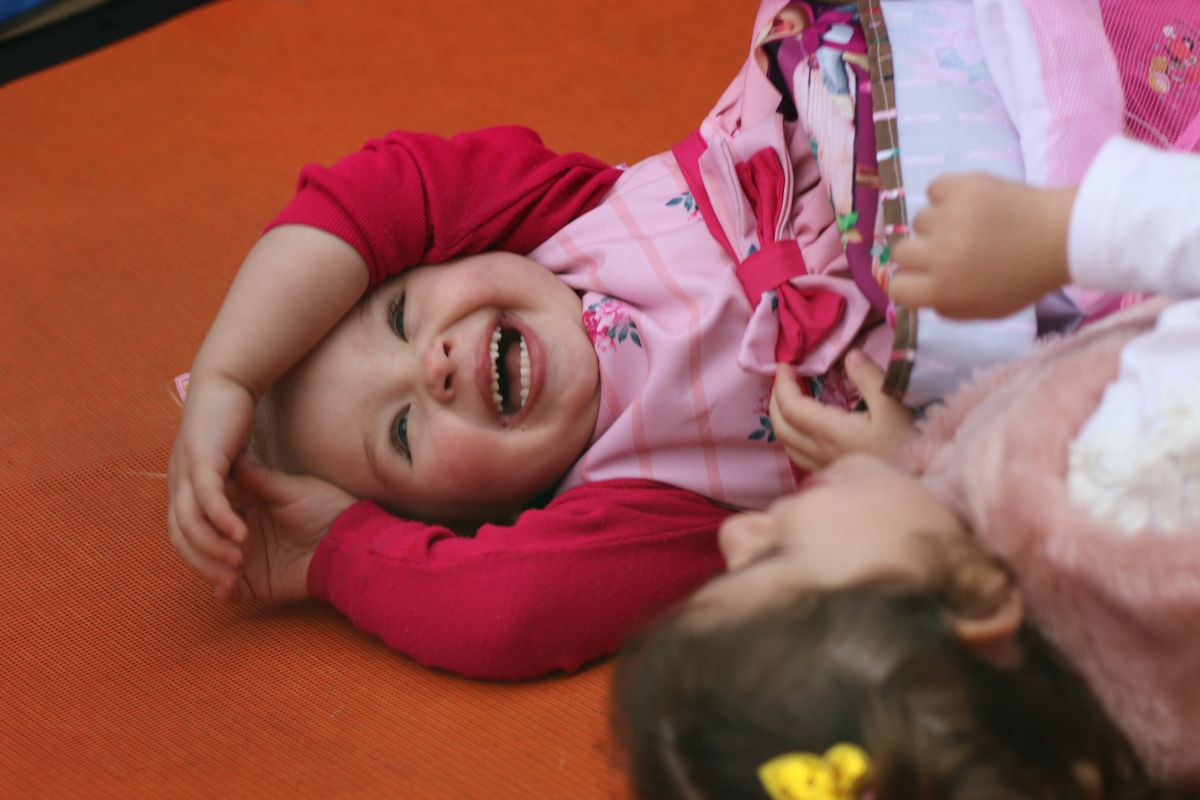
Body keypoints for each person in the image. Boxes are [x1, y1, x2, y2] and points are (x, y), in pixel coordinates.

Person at [167, 1, 917, 680]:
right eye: (400, 432)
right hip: (943, 320)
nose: (432, 366)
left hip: (881, 94)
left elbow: (374, 195)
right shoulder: (629, 502)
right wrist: (331, 551)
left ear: (438, 251)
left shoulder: (552, 218)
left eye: (398, 318)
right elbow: (506, 610)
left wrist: (231, 373)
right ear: (458, 522)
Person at [613, 133, 1200, 797]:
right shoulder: (1127, 491)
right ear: (977, 599)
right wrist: (1065, 232)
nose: (733, 533)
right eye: (773, 556)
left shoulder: (1121, 733)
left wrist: (906, 468)